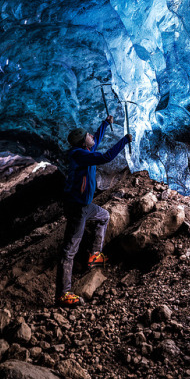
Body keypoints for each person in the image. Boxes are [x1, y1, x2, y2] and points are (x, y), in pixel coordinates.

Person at [56, 115, 132, 307]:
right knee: (69, 250)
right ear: (83, 142)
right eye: (88, 135)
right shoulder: (79, 155)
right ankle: (63, 294)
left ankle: (94, 255)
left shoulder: (86, 149)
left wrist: (105, 123)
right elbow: (106, 157)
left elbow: (96, 139)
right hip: (76, 208)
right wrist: (124, 140)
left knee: (104, 216)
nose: (92, 136)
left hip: (85, 206)